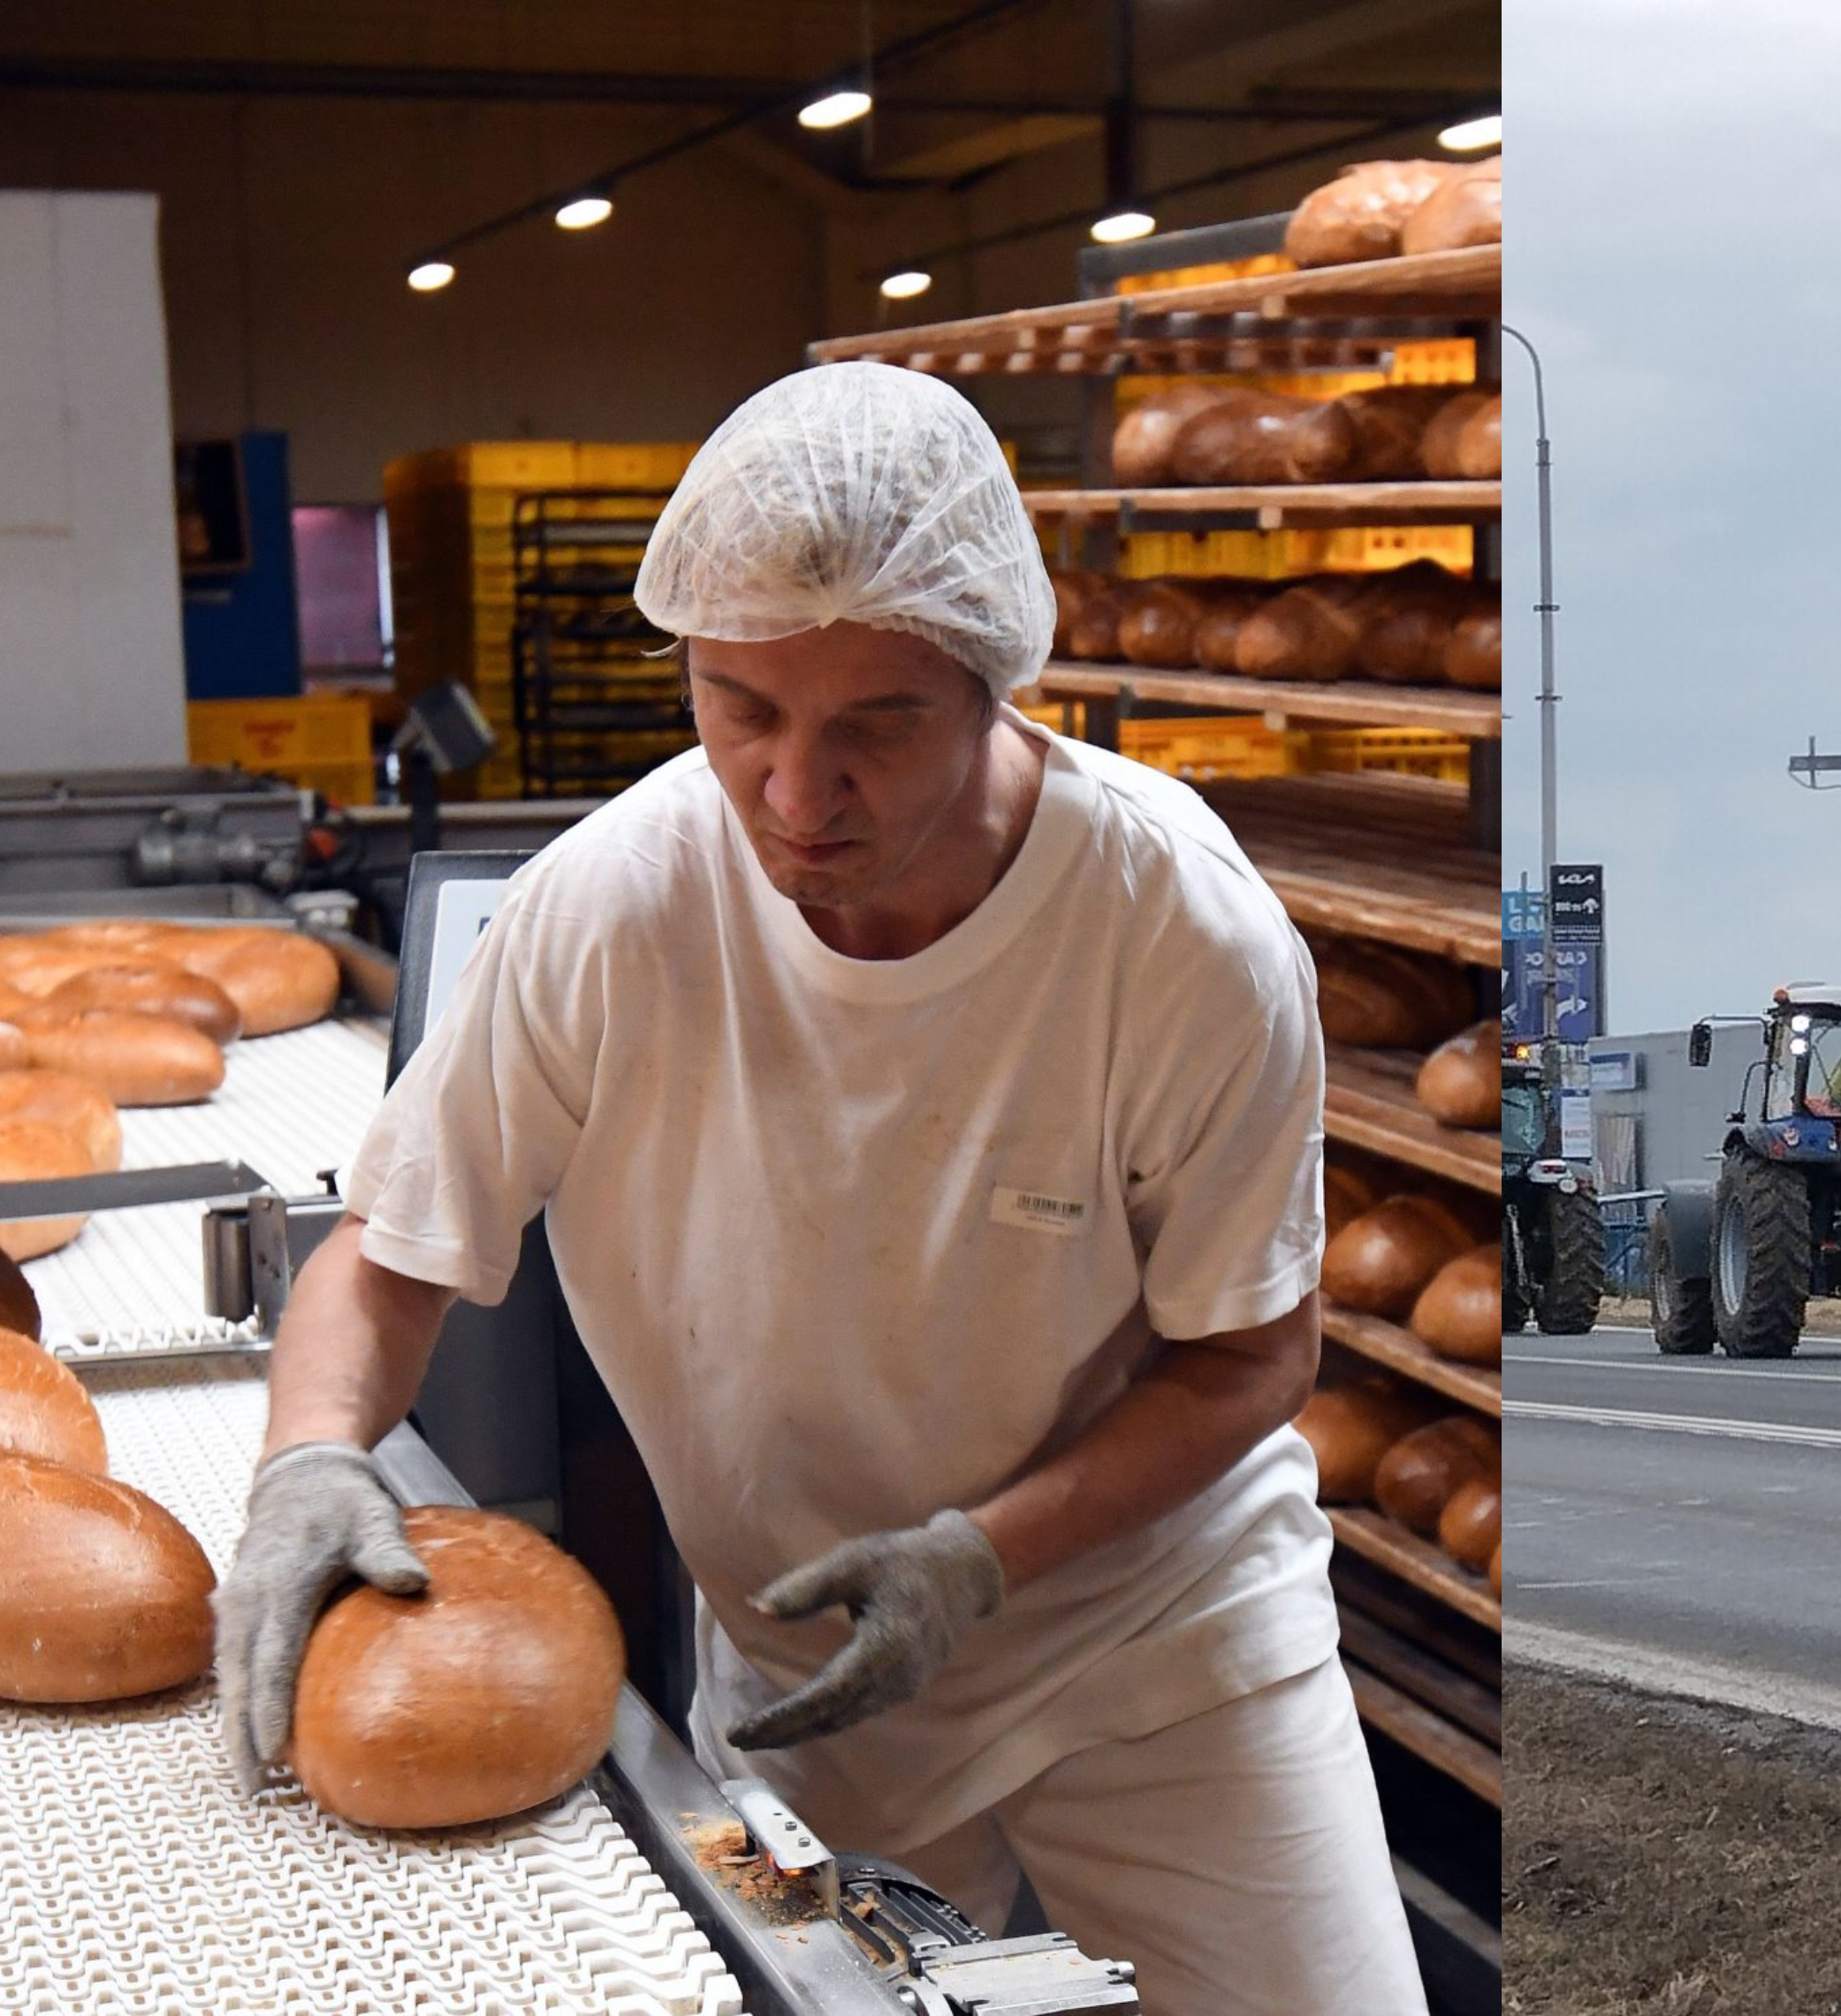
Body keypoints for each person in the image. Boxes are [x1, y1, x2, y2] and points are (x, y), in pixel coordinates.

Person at [211, 361, 1426, 2014]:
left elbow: (1250, 1357)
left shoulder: (1170, 934)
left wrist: (975, 1557)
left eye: (877, 722)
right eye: (743, 708)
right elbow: (395, 1247)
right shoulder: (615, 907)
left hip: (1158, 1659)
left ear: (996, 682)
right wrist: (307, 1458)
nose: (795, 793)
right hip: (806, 1680)